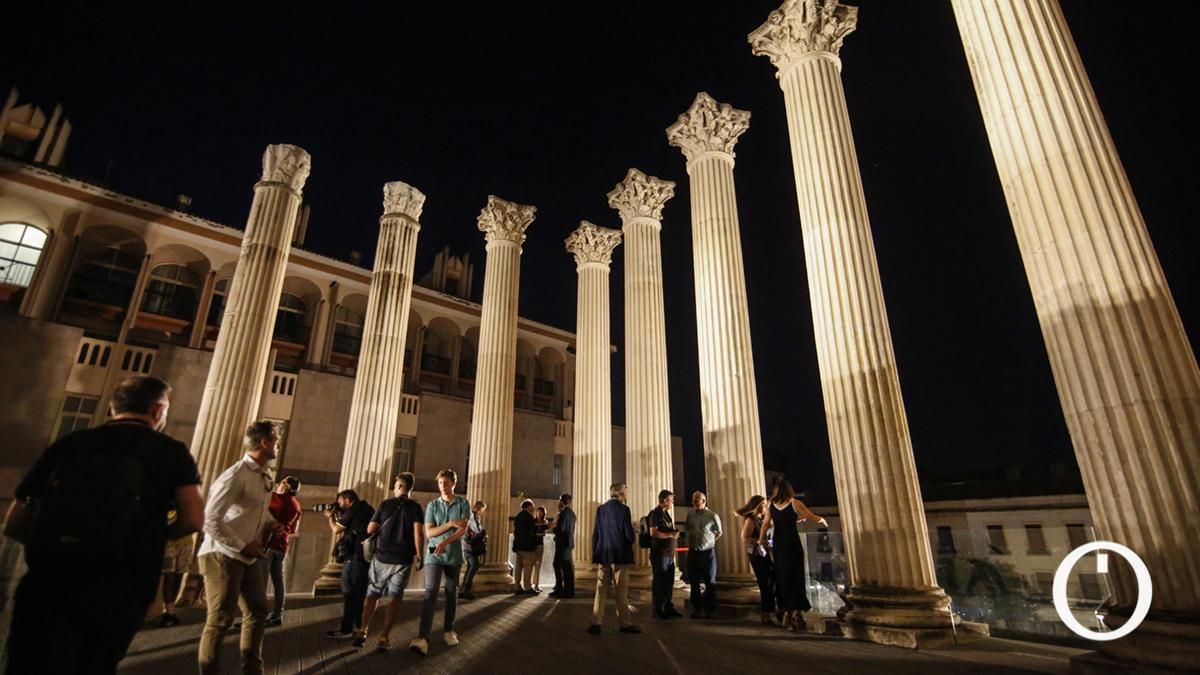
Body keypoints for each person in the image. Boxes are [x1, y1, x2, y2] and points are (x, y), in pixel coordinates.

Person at [3, 376, 203, 675]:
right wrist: (153, 538)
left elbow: (14, 521)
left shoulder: (69, 443)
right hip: (122, 580)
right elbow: (192, 518)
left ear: (112, 408)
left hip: (50, 579)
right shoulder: (170, 452)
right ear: (159, 411)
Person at [197, 420, 283, 675]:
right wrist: (242, 545)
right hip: (222, 554)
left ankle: (253, 670)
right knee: (220, 618)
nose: (278, 446)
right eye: (276, 442)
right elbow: (210, 519)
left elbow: (255, 510)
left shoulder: (264, 475)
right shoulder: (235, 475)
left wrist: (271, 523)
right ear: (265, 443)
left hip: (247, 554)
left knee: (258, 611)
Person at [354, 472, 424, 651]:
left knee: (373, 593)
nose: (394, 488)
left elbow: (371, 529)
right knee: (395, 598)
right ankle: (384, 637)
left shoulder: (385, 504)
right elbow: (418, 534)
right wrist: (420, 555)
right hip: (403, 560)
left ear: (400, 486)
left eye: (396, 485)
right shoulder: (415, 507)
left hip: (382, 557)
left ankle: (363, 630)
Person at [410, 469, 470, 656]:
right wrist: (451, 524)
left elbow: (463, 530)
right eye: (440, 483)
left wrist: (444, 541)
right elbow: (429, 533)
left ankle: (449, 630)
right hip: (433, 555)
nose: (442, 486)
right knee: (431, 593)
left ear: (453, 483)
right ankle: (423, 637)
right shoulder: (432, 505)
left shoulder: (463, 503)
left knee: (452, 594)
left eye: (446, 482)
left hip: (453, 555)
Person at [758, 479, 827, 631]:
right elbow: (810, 515)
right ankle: (795, 612)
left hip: (779, 545)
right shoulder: (794, 503)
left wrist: (761, 540)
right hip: (793, 544)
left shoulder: (771, 505)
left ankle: (787, 612)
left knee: (783, 577)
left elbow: (766, 523)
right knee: (796, 577)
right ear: (789, 490)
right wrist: (821, 520)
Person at [587, 482, 640, 635]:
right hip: (620, 556)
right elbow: (628, 536)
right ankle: (624, 623)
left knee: (600, 590)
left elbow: (595, 534)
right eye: (626, 492)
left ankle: (596, 622)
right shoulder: (624, 510)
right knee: (621, 592)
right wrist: (634, 530)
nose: (627, 495)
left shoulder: (601, 509)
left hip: (603, 555)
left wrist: (595, 553)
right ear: (621, 493)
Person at [325, 489, 374, 638]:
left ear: (347, 500)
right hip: (366, 556)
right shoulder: (369, 508)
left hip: (353, 557)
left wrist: (330, 517)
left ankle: (346, 628)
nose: (339, 505)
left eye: (340, 502)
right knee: (360, 594)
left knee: (349, 592)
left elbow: (336, 530)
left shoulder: (353, 509)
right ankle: (358, 626)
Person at [262, 475, 301, 627]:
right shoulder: (296, 505)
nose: (279, 484)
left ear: (285, 486)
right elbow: (293, 530)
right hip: (282, 545)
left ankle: (257, 615)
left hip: (267, 543)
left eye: (282, 482)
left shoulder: (275, 498)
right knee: (279, 582)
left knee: (260, 581)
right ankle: (278, 614)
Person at [736, 495, 777, 624]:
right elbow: (745, 538)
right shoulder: (751, 520)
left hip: (763, 553)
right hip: (756, 554)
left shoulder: (761, 519)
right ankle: (766, 613)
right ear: (758, 506)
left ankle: (770, 610)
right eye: (764, 505)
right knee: (765, 582)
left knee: (771, 579)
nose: (766, 507)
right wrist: (760, 541)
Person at [685, 490, 722, 618]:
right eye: (693, 500)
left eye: (696, 501)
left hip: (707, 553)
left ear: (703, 501)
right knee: (694, 582)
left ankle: (710, 609)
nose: (694, 503)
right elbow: (688, 529)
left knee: (709, 581)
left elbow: (719, 532)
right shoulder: (690, 515)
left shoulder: (712, 516)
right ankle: (696, 608)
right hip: (693, 552)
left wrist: (710, 542)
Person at [648, 489, 682, 619]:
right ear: (664, 500)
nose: (672, 502)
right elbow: (654, 533)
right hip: (660, 553)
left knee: (669, 581)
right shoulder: (655, 514)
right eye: (671, 500)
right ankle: (658, 609)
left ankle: (668, 606)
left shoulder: (667, 514)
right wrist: (670, 534)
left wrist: (674, 533)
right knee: (659, 581)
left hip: (669, 554)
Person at [459, 500, 487, 600]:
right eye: (482, 510)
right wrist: (477, 534)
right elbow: (468, 530)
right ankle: (465, 589)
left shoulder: (476, 518)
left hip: (471, 546)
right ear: (479, 509)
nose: (482, 512)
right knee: (475, 565)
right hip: (469, 546)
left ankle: (463, 589)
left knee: (471, 566)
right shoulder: (471, 517)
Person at [549, 493, 576, 598]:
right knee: (567, 567)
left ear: (562, 501)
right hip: (569, 543)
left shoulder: (564, 513)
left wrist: (554, 529)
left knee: (559, 565)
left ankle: (562, 590)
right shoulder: (572, 514)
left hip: (562, 544)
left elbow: (561, 529)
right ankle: (568, 590)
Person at [511, 499, 539, 593]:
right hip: (527, 547)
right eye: (532, 505)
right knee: (528, 567)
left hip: (519, 546)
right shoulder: (529, 517)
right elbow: (533, 530)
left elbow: (516, 532)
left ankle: (517, 586)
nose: (533, 507)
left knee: (518, 567)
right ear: (527, 506)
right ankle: (527, 587)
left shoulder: (519, 516)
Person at [532, 505, 550, 592]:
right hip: (532, 545)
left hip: (540, 545)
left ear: (543, 513)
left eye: (541, 512)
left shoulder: (544, 522)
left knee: (538, 565)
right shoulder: (533, 521)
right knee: (531, 564)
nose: (539, 513)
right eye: (538, 511)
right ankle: (530, 584)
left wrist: (536, 534)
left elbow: (543, 534)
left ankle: (536, 584)